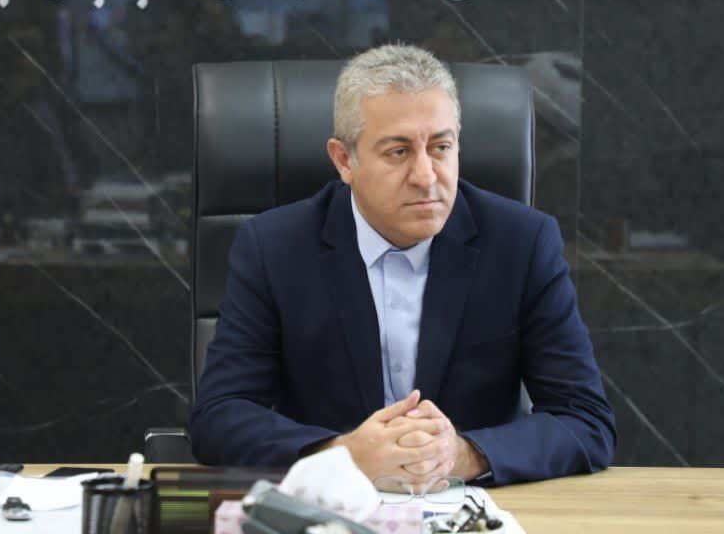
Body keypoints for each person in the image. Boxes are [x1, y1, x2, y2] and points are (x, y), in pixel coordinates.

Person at [190, 44, 616, 486]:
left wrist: (463, 455)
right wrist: (342, 455)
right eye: (398, 152)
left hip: (475, 508)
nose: (426, 176)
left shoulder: (522, 243)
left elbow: (586, 419)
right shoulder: (274, 247)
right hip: (330, 507)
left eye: (441, 147)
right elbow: (219, 416)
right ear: (344, 160)